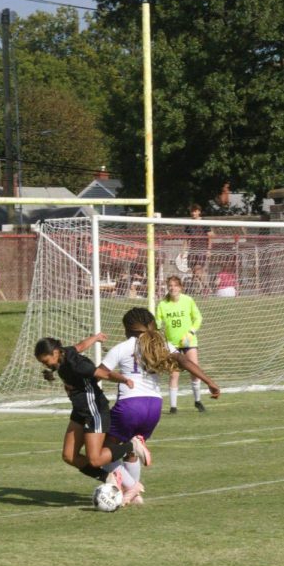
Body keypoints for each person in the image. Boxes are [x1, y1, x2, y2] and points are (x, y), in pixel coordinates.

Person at [101, 307, 221, 503]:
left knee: (100, 451)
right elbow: (185, 361)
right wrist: (210, 382)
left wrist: (119, 378)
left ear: (127, 329)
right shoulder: (161, 345)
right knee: (130, 452)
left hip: (130, 405)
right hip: (154, 406)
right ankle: (134, 496)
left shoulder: (122, 347)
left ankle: (132, 486)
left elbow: (100, 372)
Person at [34, 334, 151, 505]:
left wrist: (124, 379)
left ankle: (132, 446)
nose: (46, 365)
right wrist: (95, 338)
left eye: (46, 361)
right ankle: (109, 477)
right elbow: (80, 346)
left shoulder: (77, 365)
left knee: (95, 459)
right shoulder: (65, 354)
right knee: (68, 456)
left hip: (94, 410)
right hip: (80, 410)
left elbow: (103, 373)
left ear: (56, 352)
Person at [155, 275, 206, 413]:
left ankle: (198, 401)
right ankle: (173, 407)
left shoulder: (188, 300)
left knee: (195, 371)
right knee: (174, 374)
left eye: (175, 285)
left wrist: (191, 333)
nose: (172, 288)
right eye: (170, 285)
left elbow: (198, 318)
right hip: (172, 345)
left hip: (189, 342)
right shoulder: (162, 304)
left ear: (180, 287)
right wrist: (156, 326)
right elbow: (157, 322)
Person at [184, 203, 213, 271]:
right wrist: (184, 251)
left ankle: (203, 282)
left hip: (202, 249)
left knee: (199, 269)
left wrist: (209, 250)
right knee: (192, 270)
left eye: (195, 211)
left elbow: (210, 237)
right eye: (192, 211)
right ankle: (194, 281)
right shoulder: (188, 223)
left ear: (199, 212)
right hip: (192, 250)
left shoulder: (204, 222)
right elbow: (186, 238)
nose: (193, 213)